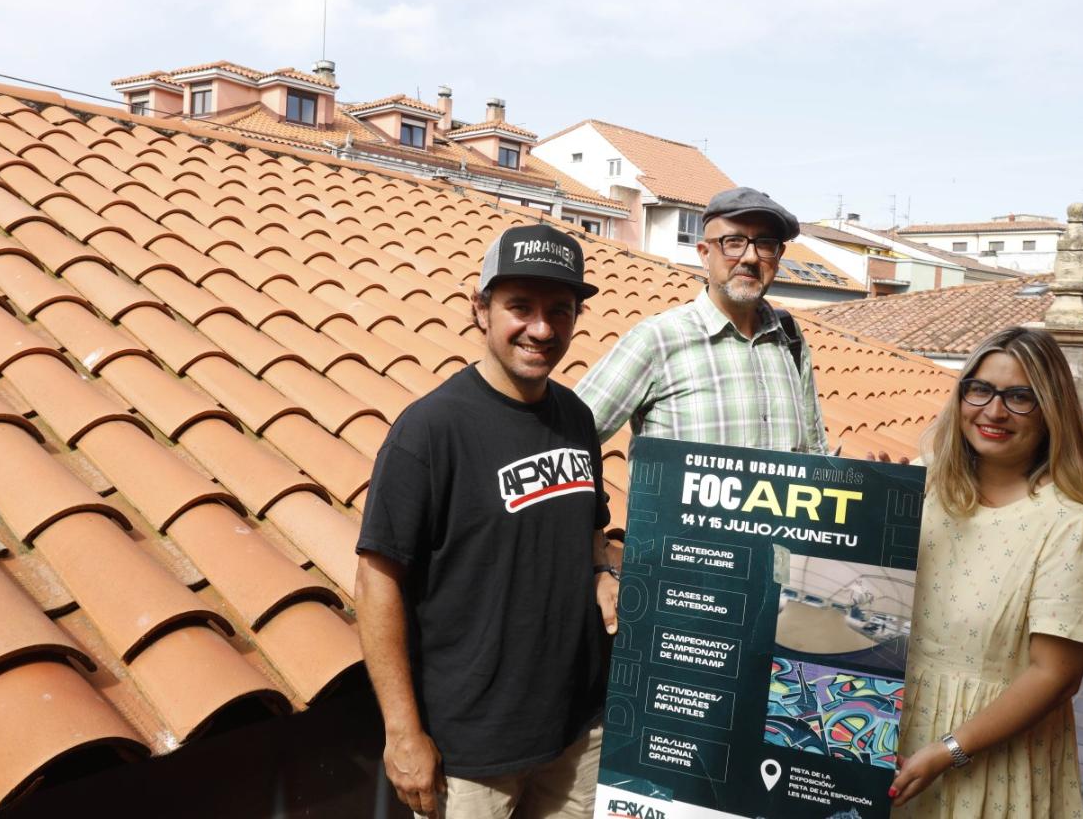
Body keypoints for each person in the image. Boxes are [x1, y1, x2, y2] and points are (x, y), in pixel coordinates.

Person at [354, 223, 619, 819]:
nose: (542, 329)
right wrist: (402, 734)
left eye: (560, 309)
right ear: (480, 310)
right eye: (519, 307)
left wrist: (602, 568)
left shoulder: (575, 416)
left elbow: (589, 523)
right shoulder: (430, 431)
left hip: (579, 731)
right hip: (470, 752)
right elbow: (377, 582)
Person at [890, 326, 1083, 817]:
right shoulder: (920, 484)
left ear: (1051, 408)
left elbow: (1055, 676)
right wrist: (870, 512)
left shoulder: (1069, 524)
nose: (994, 412)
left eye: (1021, 397)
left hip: (992, 757)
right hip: (890, 731)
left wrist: (948, 751)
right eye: (981, 390)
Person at [575, 186, 827, 454]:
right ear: (705, 254)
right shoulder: (656, 341)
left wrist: (868, 479)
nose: (751, 257)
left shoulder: (790, 339)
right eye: (734, 242)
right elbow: (564, 440)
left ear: (778, 258)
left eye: (765, 244)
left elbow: (815, 456)